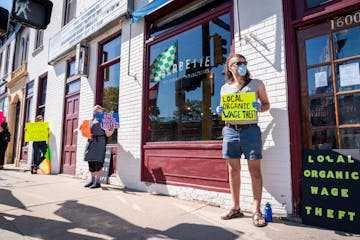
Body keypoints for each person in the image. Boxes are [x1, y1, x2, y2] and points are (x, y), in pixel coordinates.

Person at [216, 53, 270, 227]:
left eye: (243, 62)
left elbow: (266, 104)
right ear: (230, 67)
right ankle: (235, 207)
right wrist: (220, 111)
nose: (241, 65)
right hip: (230, 131)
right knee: (233, 171)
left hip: (250, 131)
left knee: (255, 171)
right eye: (237, 63)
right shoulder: (225, 88)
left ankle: (256, 210)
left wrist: (259, 107)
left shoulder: (256, 84)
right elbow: (225, 110)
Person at [84, 105, 114, 189]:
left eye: (100, 112)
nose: (98, 113)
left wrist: (112, 128)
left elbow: (108, 134)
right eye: (97, 112)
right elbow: (86, 132)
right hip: (91, 142)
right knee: (91, 162)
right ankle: (92, 180)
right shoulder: (90, 121)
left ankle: (97, 182)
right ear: (93, 112)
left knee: (98, 162)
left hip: (100, 142)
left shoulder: (105, 121)